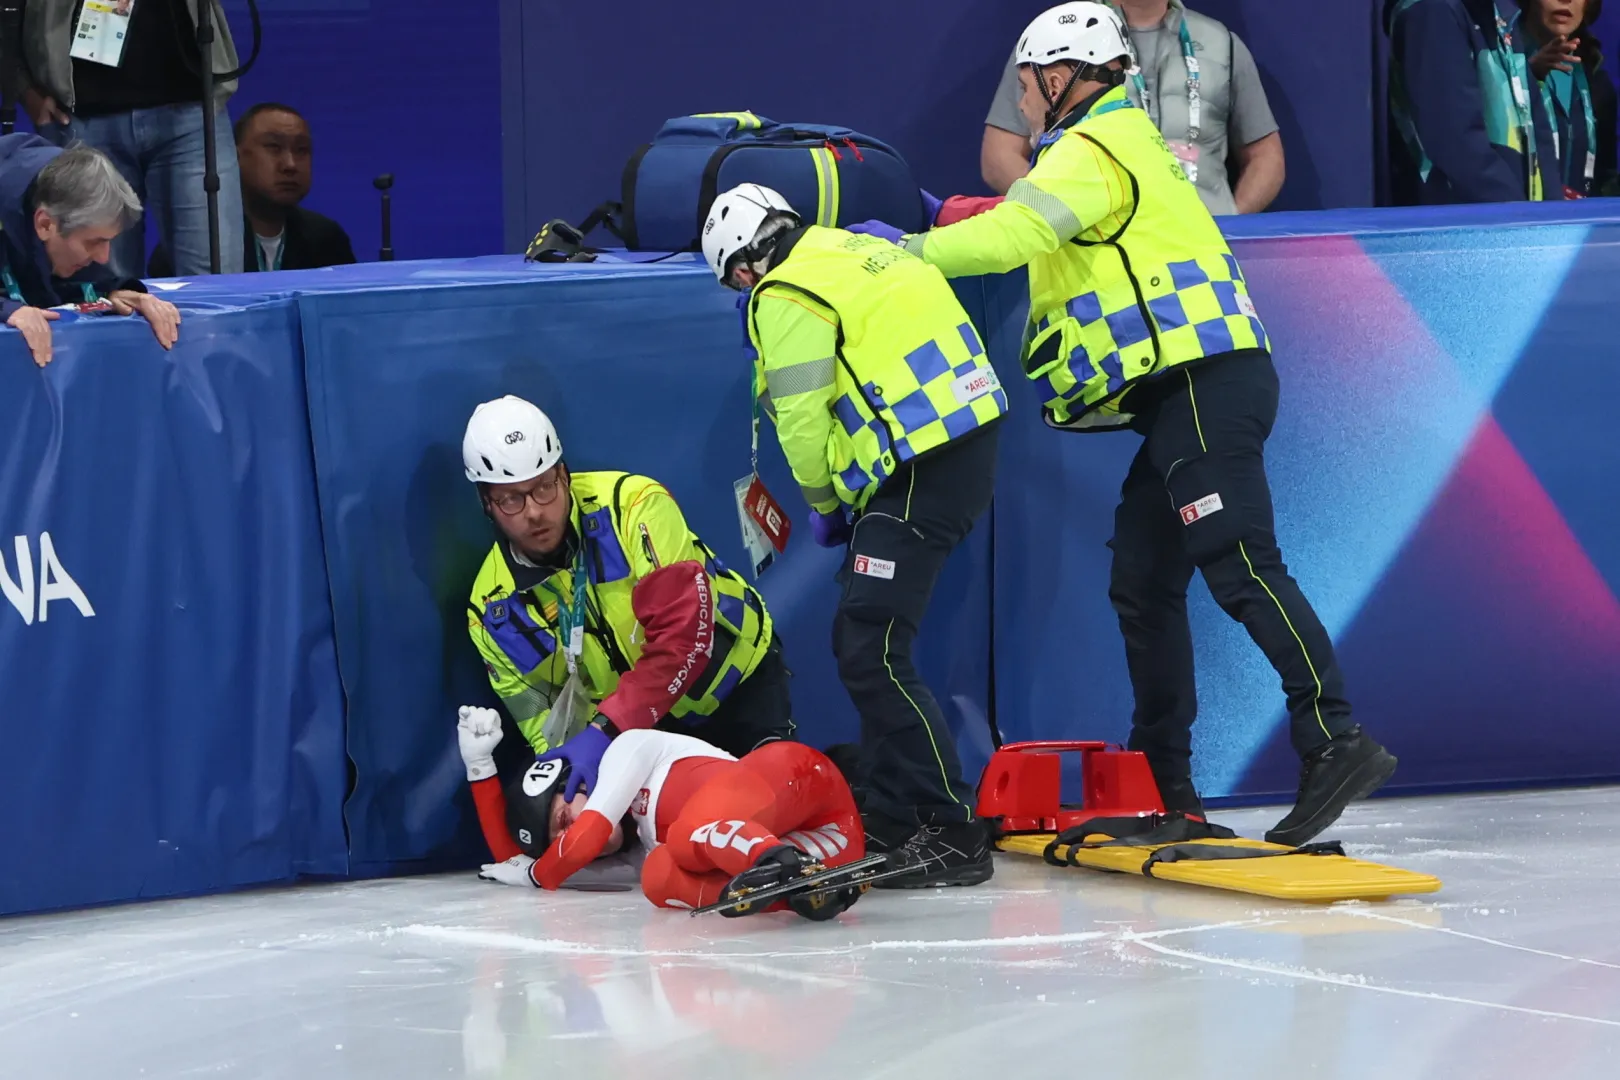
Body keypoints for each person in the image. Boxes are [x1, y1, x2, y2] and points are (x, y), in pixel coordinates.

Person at [849, 3, 1396, 847]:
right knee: (1142, 583)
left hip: (1204, 383)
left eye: (1029, 87)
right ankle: (1168, 786)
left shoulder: (1096, 145)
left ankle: (1335, 739)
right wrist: (959, 216)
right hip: (1187, 391)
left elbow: (1020, 233)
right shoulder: (1112, 144)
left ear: (1063, 76)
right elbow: (1045, 225)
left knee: (1242, 563)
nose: (1024, 105)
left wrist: (899, 252)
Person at [699, 183, 1007, 888]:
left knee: (872, 646)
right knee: (868, 637)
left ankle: (946, 830)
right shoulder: (858, 246)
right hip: (954, 446)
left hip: (920, 464)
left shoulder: (784, 293)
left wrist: (826, 503)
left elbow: (805, 428)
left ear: (743, 269)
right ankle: (900, 814)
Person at [461, 395, 794, 800]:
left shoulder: (634, 505)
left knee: (775, 801)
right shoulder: (491, 610)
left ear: (564, 475)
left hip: (735, 685)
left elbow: (684, 636)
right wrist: (571, 778)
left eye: (544, 487)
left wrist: (606, 730)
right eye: (511, 498)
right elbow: (543, 723)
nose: (533, 512)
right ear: (486, 504)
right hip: (644, 733)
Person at [457, 706, 869, 920]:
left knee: (686, 836)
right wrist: (479, 767)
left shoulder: (626, 749)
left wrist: (535, 875)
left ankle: (778, 865)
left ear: (579, 782)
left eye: (564, 815)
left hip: (804, 781)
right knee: (658, 877)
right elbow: (514, 858)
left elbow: (577, 845)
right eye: (558, 838)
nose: (568, 833)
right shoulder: (637, 852)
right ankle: (801, 893)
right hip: (833, 849)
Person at [982, 0, 1285, 215]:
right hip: (1100, 248)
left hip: (1210, 244)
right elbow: (999, 156)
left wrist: (1232, 223)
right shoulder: (1053, 42)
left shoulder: (1223, 44)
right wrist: (1061, 216)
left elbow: (1266, 157)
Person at [14, 0, 245, 275]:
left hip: (191, 111)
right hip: (83, 116)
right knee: (102, 286)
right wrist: (23, 86)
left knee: (215, 278)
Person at [1, 134, 181, 367]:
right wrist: (7, 309)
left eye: (109, 241)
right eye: (94, 242)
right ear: (45, 224)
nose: (104, 257)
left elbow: (49, 273)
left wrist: (110, 290)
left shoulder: (56, 193)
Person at [1384, 0, 1563, 203]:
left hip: (1519, 222)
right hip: (1464, 225)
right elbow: (1454, 140)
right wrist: (1518, 217)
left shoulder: (1498, 15)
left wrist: (1552, 211)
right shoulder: (1432, 10)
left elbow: (1537, 129)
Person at [147, 103, 356, 276]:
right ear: (234, 156)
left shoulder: (326, 238)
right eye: (274, 147)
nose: (290, 164)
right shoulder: (198, 241)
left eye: (302, 150)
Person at [1515, 0, 1618, 197]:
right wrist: (1527, 77)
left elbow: (1604, 177)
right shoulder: (1495, 69)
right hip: (1518, 223)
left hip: (1579, 225)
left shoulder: (1596, 81)